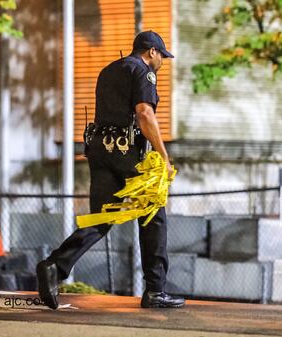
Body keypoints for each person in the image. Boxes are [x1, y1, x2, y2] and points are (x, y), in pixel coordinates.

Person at [36, 30, 185, 310]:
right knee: (154, 215)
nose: (162, 62)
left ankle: (54, 266)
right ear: (151, 51)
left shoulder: (108, 70)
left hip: (100, 152)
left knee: (101, 219)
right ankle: (155, 290)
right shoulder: (142, 72)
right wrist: (163, 156)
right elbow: (144, 114)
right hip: (128, 151)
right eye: (161, 56)